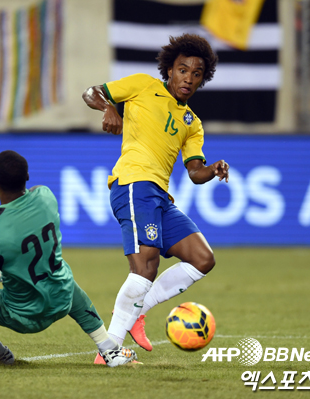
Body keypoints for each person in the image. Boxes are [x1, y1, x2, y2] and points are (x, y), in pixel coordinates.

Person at [82, 33, 229, 360]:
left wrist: (213, 168)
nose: (188, 78)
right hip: (134, 183)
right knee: (145, 268)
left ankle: (137, 313)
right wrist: (108, 108)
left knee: (203, 259)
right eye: (182, 70)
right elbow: (90, 92)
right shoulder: (142, 85)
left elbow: (194, 171)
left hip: (160, 196)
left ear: (203, 79)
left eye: (196, 73)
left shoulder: (192, 123)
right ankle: (110, 350)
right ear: (169, 70)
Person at [0, 150, 138, 367]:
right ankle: (109, 350)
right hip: (63, 300)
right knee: (59, 273)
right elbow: (34, 249)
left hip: (23, 316)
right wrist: (4, 271)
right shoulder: (46, 197)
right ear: (27, 177)